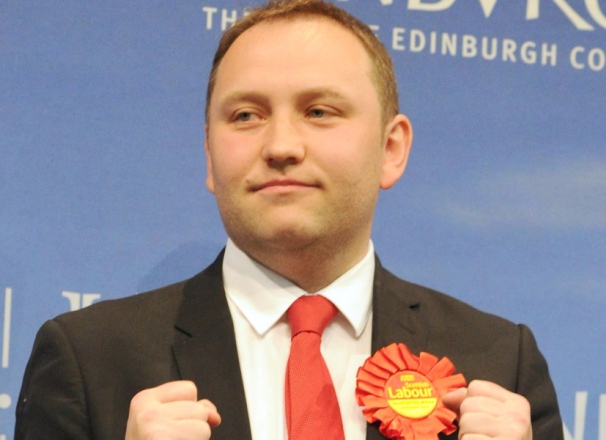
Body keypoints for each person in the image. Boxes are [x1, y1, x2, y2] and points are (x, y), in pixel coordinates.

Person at [15, 0, 563, 439]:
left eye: (319, 111)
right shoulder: (88, 359)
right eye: (246, 115)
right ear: (210, 156)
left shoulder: (497, 362)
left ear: (391, 148)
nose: (280, 146)